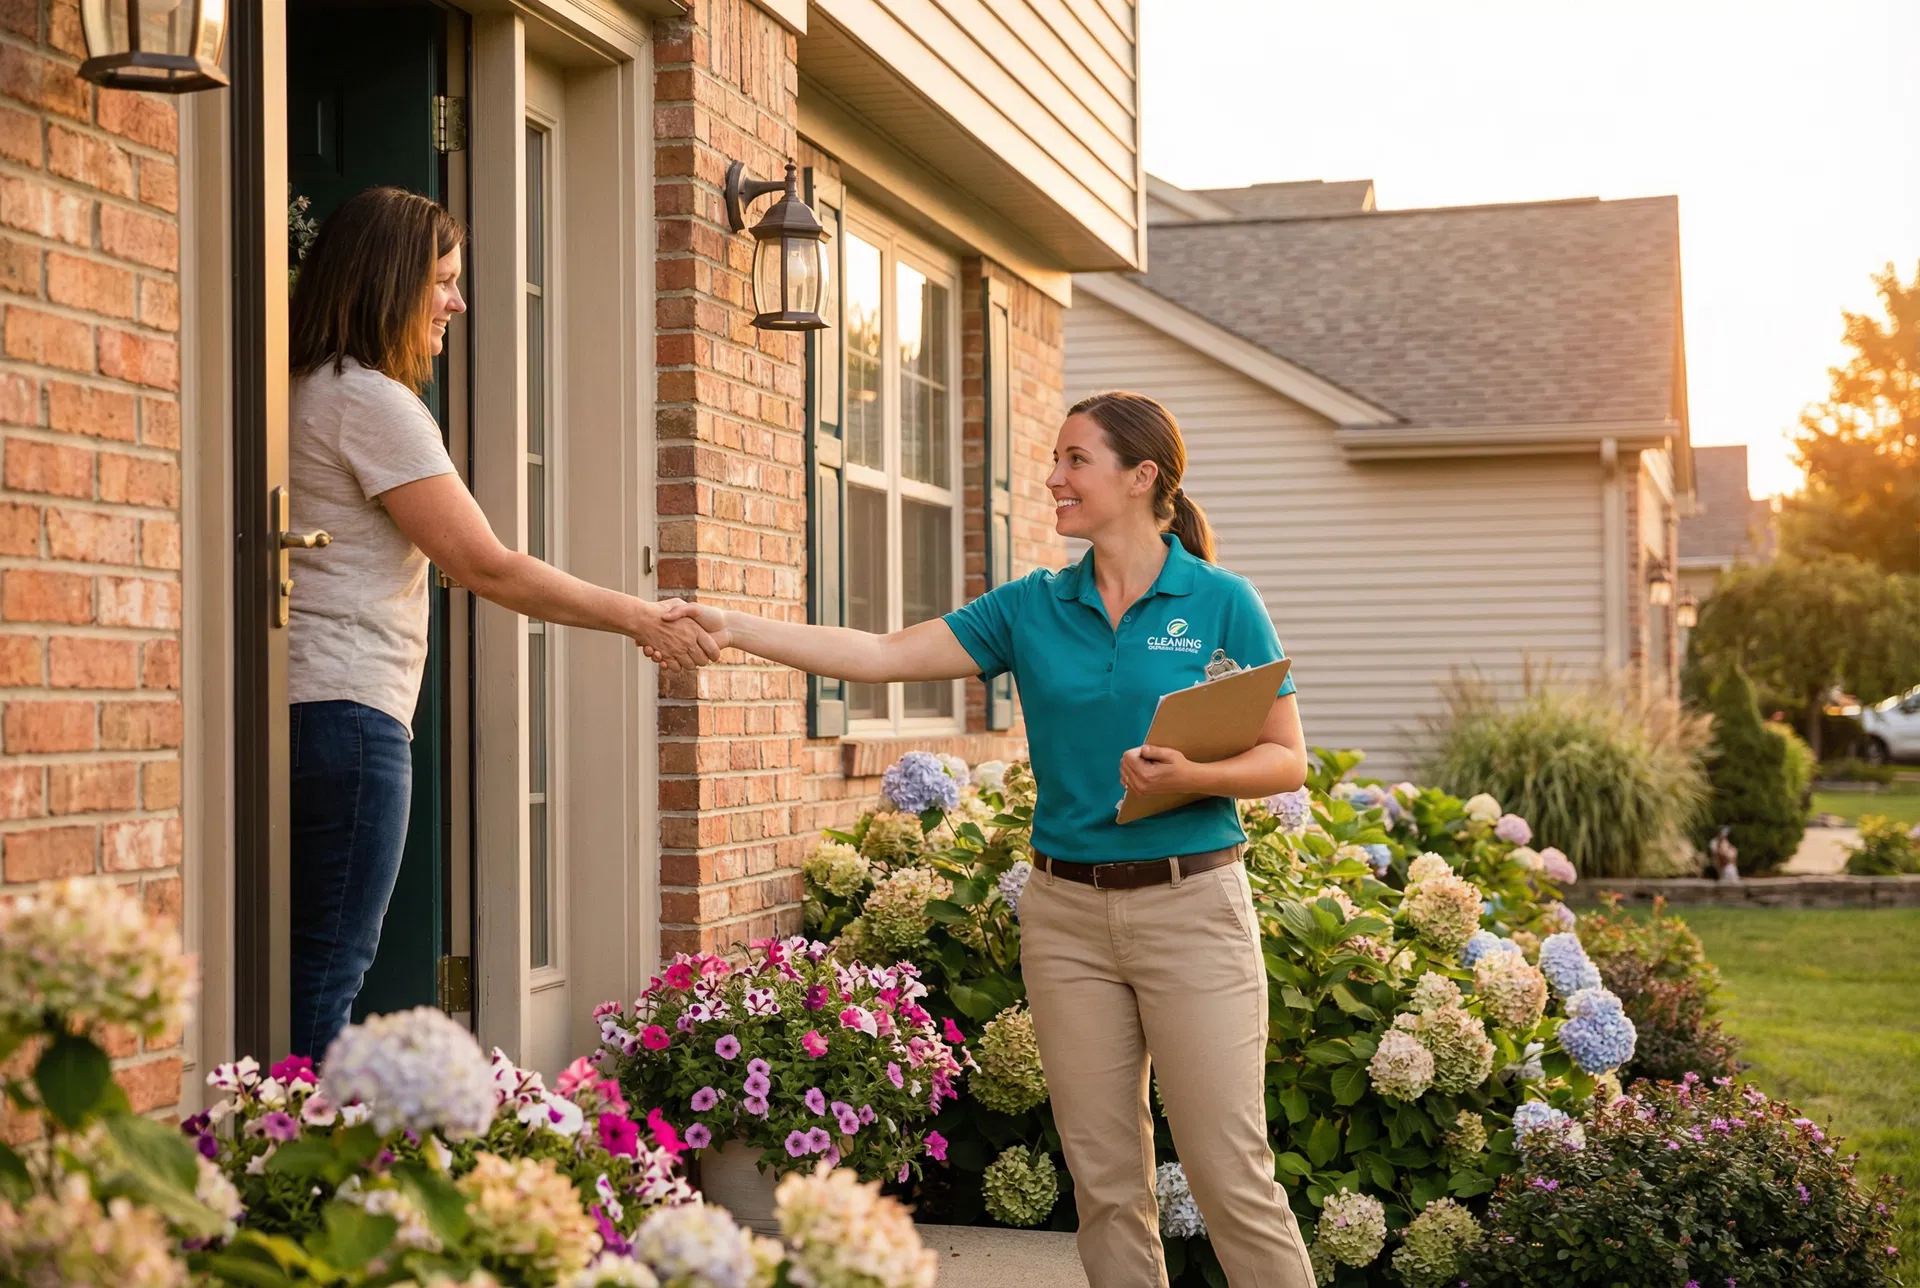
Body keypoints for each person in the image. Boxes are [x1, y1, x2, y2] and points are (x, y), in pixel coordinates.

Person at [665, 391, 1316, 1287]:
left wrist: (1194, 777)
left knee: (1229, 1174)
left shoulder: (1220, 603)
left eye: (1075, 460)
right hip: (1067, 919)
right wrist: (732, 627)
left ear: (1142, 477)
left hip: (1193, 906)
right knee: (1105, 1182)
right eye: (1055, 460)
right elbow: (882, 654)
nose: (1053, 478)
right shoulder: (1034, 607)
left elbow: (1285, 761)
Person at [286, 187, 718, 1059]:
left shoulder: (300, 390)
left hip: (301, 711)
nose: (457, 301)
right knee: (327, 979)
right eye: (441, 281)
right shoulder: (368, 400)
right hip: (350, 718)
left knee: (300, 970)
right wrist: (642, 616)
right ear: (387, 282)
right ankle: (296, 1171)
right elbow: (486, 564)